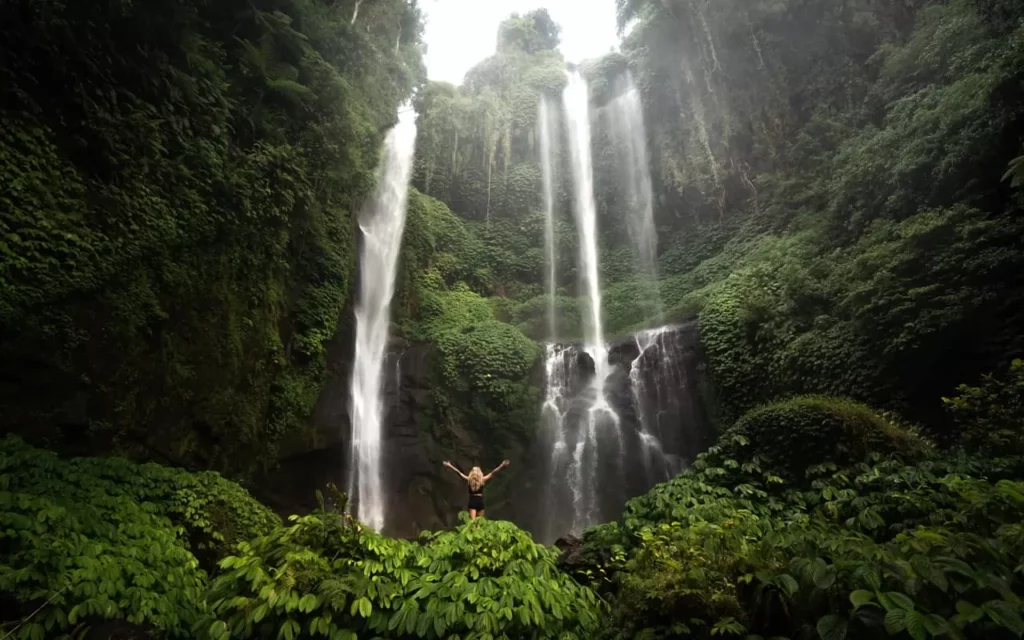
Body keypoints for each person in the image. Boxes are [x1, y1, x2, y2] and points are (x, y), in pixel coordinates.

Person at [442, 459, 509, 520]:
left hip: (472, 501)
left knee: (473, 523)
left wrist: (450, 466)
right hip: (480, 501)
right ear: (480, 473)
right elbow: (493, 472)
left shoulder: (469, 479)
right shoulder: (482, 480)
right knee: (479, 523)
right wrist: (501, 465)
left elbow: (459, 473)